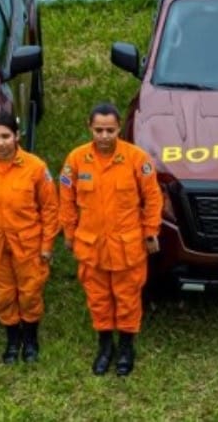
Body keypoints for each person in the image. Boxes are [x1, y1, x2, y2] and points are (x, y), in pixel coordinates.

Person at [59, 102, 163, 377]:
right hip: (91, 246)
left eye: (110, 130)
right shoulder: (76, 160)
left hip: (127, 246)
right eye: (99, 130)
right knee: (98, 298)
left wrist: (150, 231)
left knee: (128, 298)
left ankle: (126, 348)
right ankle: (105, 347)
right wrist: (69, 233)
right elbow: (66, 200)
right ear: (89, 128)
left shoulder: (136, 159)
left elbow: (153, 198)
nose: (104, 136)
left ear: (119, 129)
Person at [0, 111, 59, 364]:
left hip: (28, 243)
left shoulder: (35, 167)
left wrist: (47, 245)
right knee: (2, 294)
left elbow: (50, 209)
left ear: (17, 136)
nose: (1, 142)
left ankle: (31, 339)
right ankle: (12, 340)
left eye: (5, 136)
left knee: (30, 292)